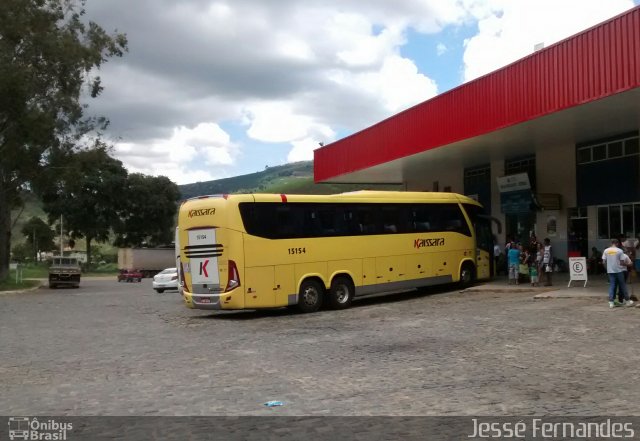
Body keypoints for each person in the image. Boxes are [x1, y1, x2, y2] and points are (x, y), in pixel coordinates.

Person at [602, 239, 634, 308]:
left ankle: (611, 302)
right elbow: (622, 263)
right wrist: (629, 264)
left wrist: (607, 269)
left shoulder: (606, 250)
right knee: (623, 285)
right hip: (619, 271)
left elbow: (604, 262)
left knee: (612, 286)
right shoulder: (619, 251)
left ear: (611, 243)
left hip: (610, 271)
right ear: (617, 243)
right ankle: (628, 301)